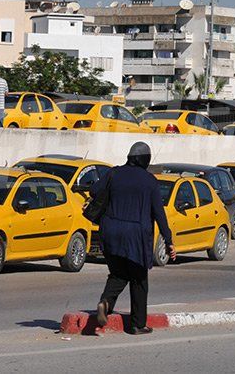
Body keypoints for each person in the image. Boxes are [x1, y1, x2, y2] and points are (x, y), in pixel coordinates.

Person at [89, 142, 176, 335]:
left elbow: (94, 190)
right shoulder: (150, 181)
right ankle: (138, 324)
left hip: (110, 231)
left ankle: (106, 302)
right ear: (145, 160)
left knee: (118, 273)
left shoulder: (113, 173)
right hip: (136, 236)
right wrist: (169, 241)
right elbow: (159, 214)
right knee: (139, 279)